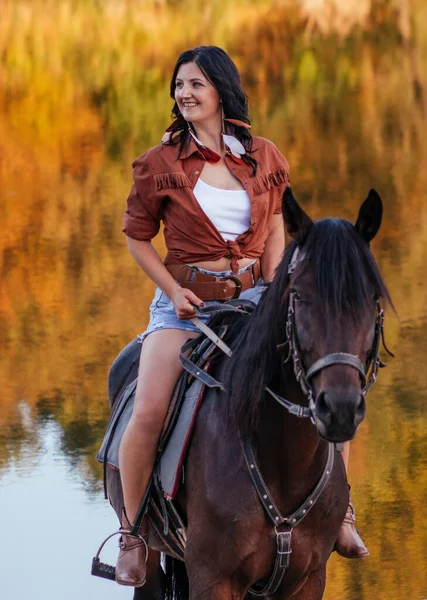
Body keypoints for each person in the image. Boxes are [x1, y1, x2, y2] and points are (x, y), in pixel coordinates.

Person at [116, 45, 368, 588]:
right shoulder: (159, 164)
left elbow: (275, 223)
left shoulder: (264, 156)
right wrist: (172, 291)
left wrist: (277, 288)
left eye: (195, 85)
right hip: (185, 304)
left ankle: (340, 515)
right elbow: (137, 239)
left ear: (221, 92)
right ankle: (133, 534)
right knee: (150, 408)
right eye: (178, 85)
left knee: (326, 376)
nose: (184, 93)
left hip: (257, 298)